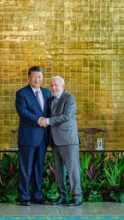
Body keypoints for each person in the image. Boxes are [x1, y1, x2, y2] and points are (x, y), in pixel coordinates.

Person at [38, 76, 83, 206]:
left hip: (68, 140)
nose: (53, 88)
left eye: (56, 85)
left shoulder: (69, 98)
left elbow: (67, 116)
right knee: (59, 171)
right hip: (55, 140)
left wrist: (47, 121)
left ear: (63, 86)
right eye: (51, 85)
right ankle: (62, 196)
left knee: (72, 169)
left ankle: (77, 196)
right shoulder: (51, 99)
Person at [15, 66, 51, 206]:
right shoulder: (22, 93)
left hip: (43, 137)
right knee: (26, 168)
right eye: (35, 77)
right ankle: (24, 197)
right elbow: (22, 111)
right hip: (28, 137)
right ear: (29, 77)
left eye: (40, 77)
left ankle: (37, 195)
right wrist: (39, 120)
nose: (38, 79)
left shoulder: (47, 93)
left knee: (38, 167)